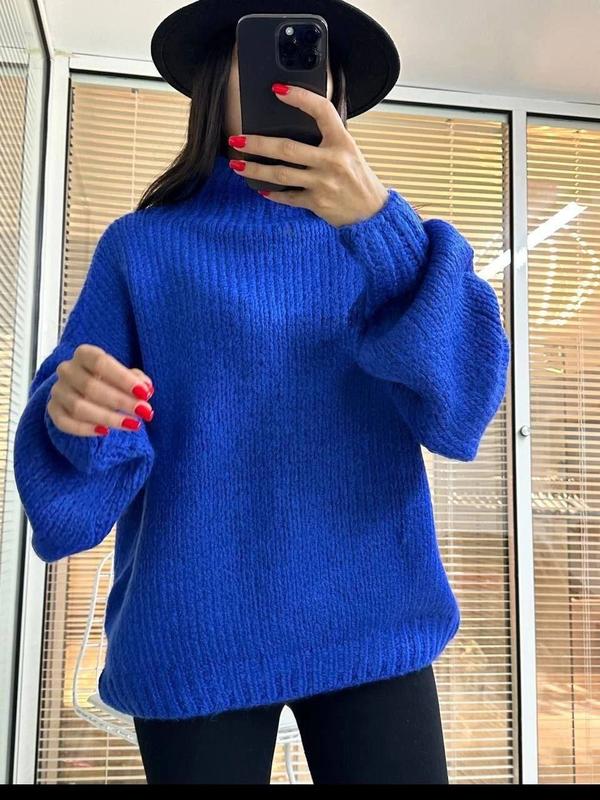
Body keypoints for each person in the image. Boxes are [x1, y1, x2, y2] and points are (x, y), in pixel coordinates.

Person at [13, 0, 511, 786]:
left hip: (373, 616)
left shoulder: (388, 245)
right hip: (193, 628)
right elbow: (70, 509)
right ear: (220, 77)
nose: (291, 82)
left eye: (310, 56)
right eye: (268, 53)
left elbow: (465, 410)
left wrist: (380, 226)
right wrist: (75, 415)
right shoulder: (141, 249)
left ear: (337, 90)